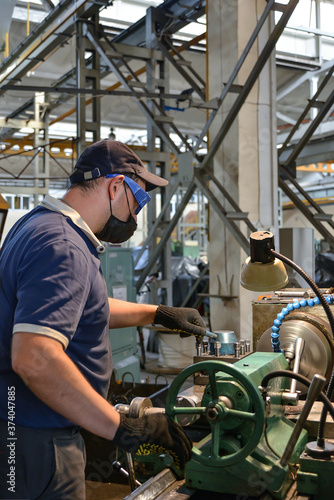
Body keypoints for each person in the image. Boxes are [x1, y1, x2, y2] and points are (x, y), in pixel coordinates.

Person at [0, 139, 207, 499]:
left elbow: (77, 309)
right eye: (138, 201)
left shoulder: (36, 224)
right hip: (40, 438)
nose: (136, 217)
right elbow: (34, 356)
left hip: (20, 427)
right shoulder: (63, 246)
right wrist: (122, 427)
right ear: (115, 186)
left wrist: (157, 314)